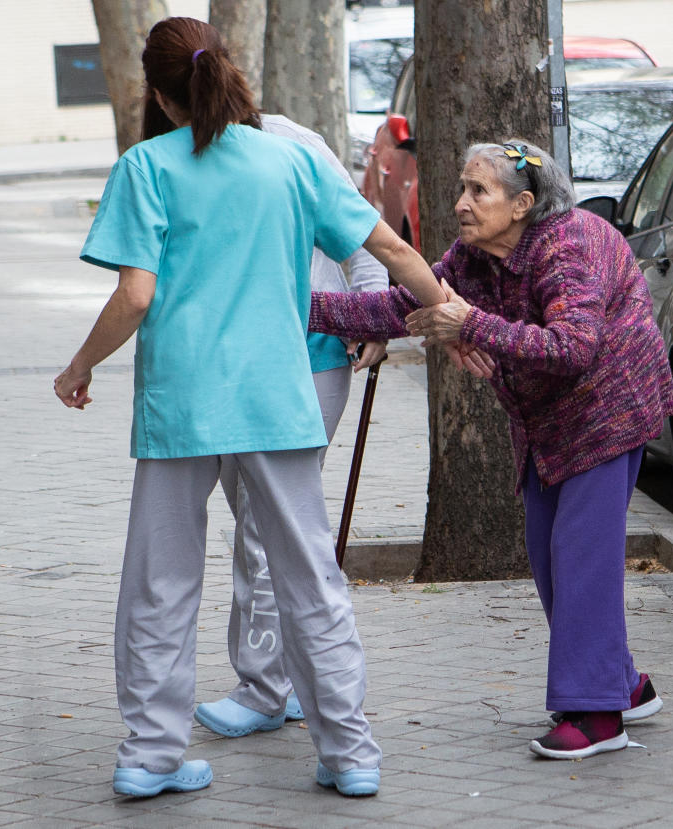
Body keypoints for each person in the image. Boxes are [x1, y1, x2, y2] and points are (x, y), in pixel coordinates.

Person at [53, 17, 480, 800]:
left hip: (180, 407)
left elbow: (135, 295)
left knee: (160, 581)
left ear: (156, 92)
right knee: (309, 575)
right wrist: (454, 315)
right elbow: (390, 252)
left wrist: (81, 364)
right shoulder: (290, 160)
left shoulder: (144, 168)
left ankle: (149, 754)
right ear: (226, 71)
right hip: (278, 397)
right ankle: (349, 752)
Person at [308, 139, 673, 760]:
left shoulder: (570, 244)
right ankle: (619, 683)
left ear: (523, 204)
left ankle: (598, 716)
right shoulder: (471, 258)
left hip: (608, 410)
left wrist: (469, 325)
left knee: (580, 559)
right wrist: (303, 307)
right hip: (542, 420)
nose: (461, 204)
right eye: (462, 188)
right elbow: (399, 305)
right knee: (548, 554)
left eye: (479, 192)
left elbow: (573, 347)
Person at [195, 113, 389, 740]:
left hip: (311, 353)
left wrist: (372, 316)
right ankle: (299, 678)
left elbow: (360, 234)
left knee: (263, 523)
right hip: (227, 362)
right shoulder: (178, 155)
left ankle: (264, 688)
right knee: (259, 519)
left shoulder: (294, 143)